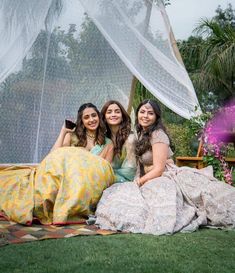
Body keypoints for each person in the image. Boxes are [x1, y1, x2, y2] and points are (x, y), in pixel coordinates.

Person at [95, 99, 235, 235]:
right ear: (137, 114)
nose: (145, 116)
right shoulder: (142, 134)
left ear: (156, 117)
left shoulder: (158, 135)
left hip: (165, 175)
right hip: (150, 176)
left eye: (150, 113)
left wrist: (140, 182)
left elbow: (159, 169)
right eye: (142, 112)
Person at [0, 103, 115, 225]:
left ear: (99, 117)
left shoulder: (108, 144)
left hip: (84, 182)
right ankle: (42, 204)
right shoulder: (73, 136)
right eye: (86, 117)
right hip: (63, 175)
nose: (91, 120)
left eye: (94, 115)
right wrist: (63, 132)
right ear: (81, 121)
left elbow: (104, 170)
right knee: (50, 179)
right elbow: (54, 155)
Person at [101, 100, 136, 182]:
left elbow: (130, 171)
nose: (113, 115)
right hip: (104, 176)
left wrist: (110, 174)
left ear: (122, 116)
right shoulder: (103, 138)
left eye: (117, 112)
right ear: (104, 117)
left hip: (124, 180)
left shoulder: (130, 138)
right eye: (109, 112)